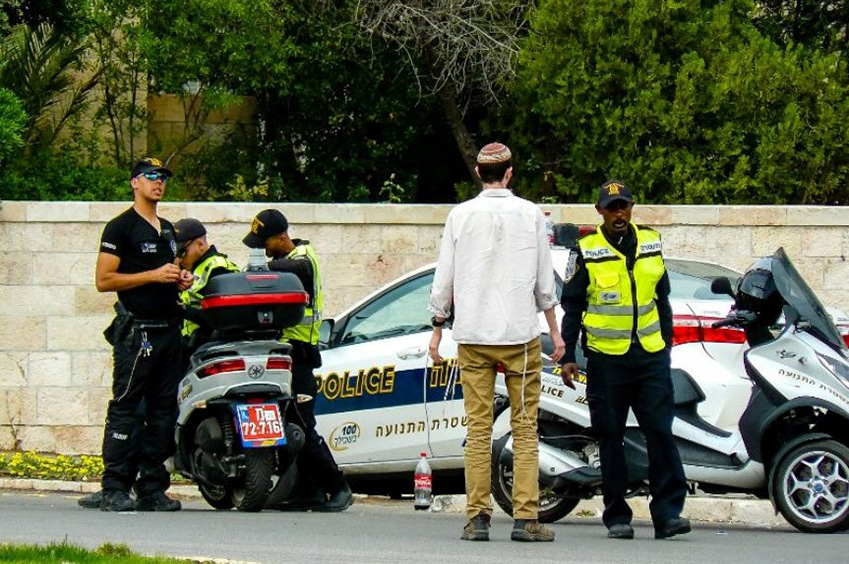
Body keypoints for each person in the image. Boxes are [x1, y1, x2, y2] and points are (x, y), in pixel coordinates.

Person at [428, 142, 565, 543]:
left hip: (472, 335)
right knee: (524, 428)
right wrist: (554, 329)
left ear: (478, 173)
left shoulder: (460, 215)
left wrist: (437, 326)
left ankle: (478, 518)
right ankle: (525, 518)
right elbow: (544, 281)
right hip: (519, 336)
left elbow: (444, 278)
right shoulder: (530, 214)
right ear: (509, 174)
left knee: (478, 427)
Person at [559, 180, 690, 540]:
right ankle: (617, 515)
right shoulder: (585, 250)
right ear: (599, 211)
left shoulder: (650, 241)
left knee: (661, 433)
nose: (619, 214)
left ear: (632, 208)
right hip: (606, 360)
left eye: (624, 206)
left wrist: (666, 342)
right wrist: (569, 354)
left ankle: (667, 514)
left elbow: (661, 297)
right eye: (612, 207)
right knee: (610, 436)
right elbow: (572, 306)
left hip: (649, 356)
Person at [93, 157, 193, 512]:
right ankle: (114, 487)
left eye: (163, 177)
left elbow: (170, 271)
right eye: (151, 176)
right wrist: (152, 275)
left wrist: (180, 277)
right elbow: (104, 281)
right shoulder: (120, 227)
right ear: (135, 183)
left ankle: (152, 486)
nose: (158, 182)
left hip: (169, 330)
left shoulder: (168, 229)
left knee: (164, 410)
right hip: (137, 333)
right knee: (126, 408)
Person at [242, 209, 353, 512]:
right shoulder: (290, 259)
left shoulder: (304, 258)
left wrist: (260, 268)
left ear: (280, 238)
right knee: (288, 423)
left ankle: (337, 486)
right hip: (283, 353)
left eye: (264, 242)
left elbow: (295, 269)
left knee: (302, 423)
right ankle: (310, 491)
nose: (260, 248)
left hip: (300, 354)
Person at [173, 217, 240, 360]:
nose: (179, 259)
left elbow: (224, 320)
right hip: (190, 349)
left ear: (200, 244)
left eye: (182, 253)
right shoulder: (193, 268)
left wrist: (183, 310)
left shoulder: (218, 269)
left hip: (211, 352)